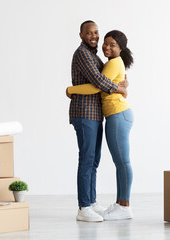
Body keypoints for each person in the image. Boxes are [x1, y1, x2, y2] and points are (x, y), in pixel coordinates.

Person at [67, 30, 134, 221]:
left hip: (117, 113)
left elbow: (97, 84)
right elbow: (103, 82)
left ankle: (124, 205)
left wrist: (70, 89)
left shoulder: (113, 62)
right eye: (106, 43)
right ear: (80, 34)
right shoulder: (107, 61)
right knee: (113, 161)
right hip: (114, 114)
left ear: (120, 48)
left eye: (112, 44)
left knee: (122, 162)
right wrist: (121, 86)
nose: (106, 46)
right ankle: (117, 204)